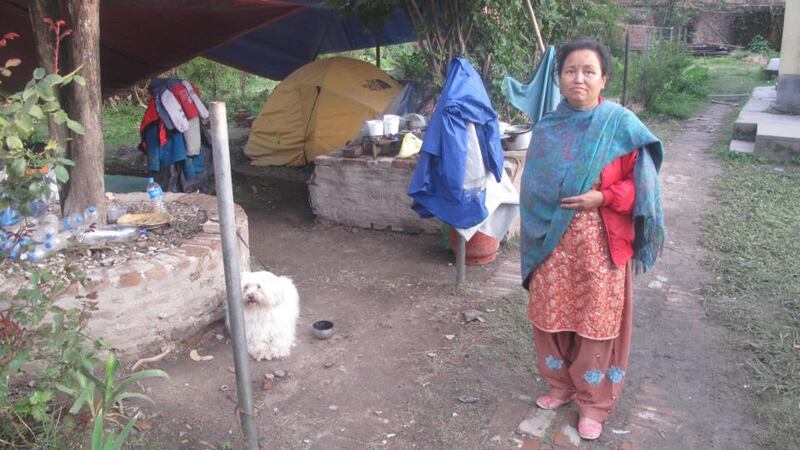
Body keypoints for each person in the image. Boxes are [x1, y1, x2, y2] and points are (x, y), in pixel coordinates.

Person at [519, 39, 664, 440]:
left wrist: (602, 197)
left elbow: (643, 190)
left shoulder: (620, 126)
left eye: (588, 71)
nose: (578, 78)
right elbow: (532, 191)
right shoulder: (548, 128)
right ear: (559, 78)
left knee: (595, 323)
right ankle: (561, 386)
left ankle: (593, 403)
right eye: (570, 70)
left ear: (604, 78)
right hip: (551, 243)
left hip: (601, 245)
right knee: (550, 317)